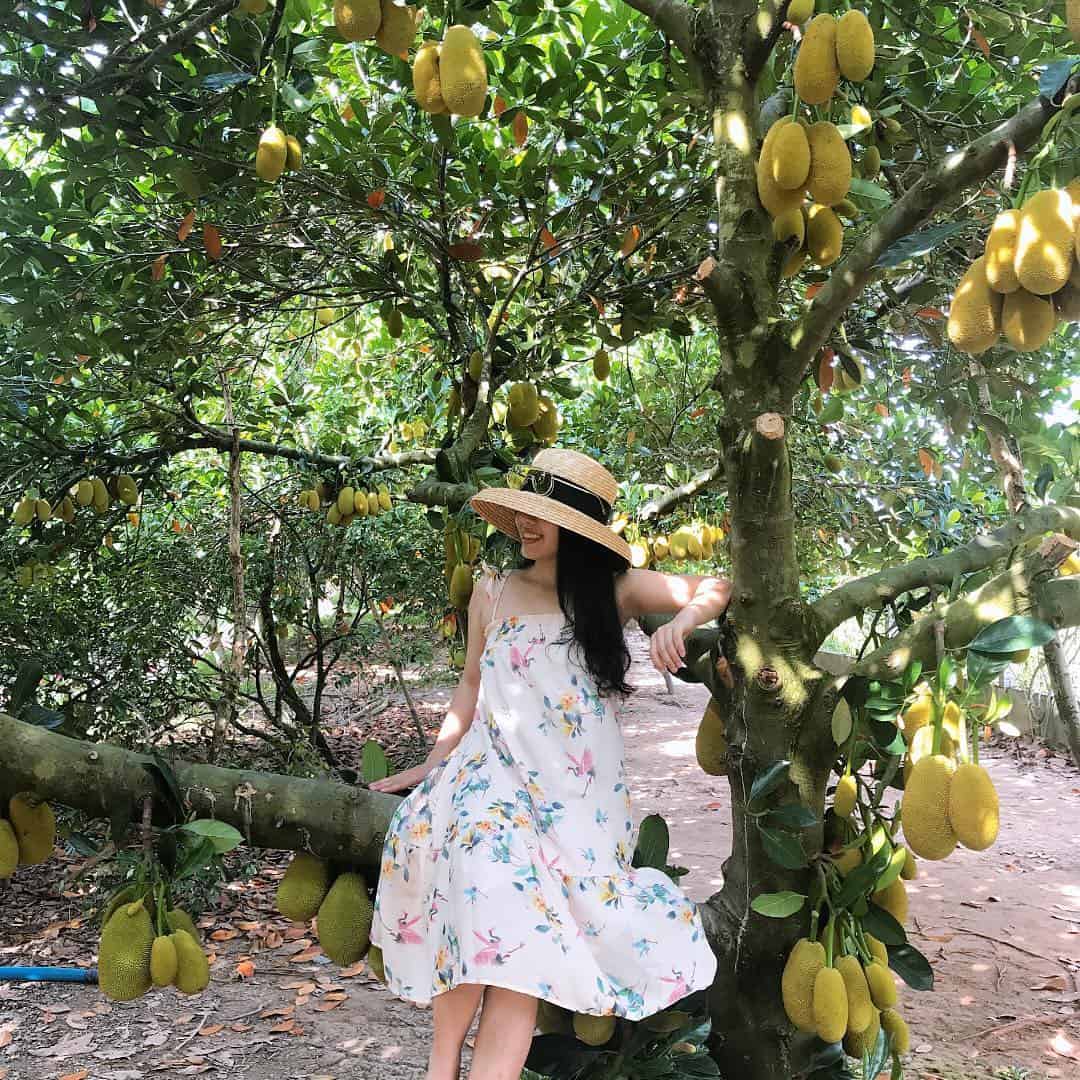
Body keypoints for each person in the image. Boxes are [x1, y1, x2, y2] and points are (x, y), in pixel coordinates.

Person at [368, 447, 732, 1080]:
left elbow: (715, 586)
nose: (526, 527)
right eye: (523, 514)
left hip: (575, 802)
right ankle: (441, 1063)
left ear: (581, 524)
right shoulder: (492, 588)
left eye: (544, 515)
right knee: (483, 912)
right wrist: (433, 764)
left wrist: (684, 621)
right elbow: (469, 687)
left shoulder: (615, 591)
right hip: (489, 783)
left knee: (519, 954)